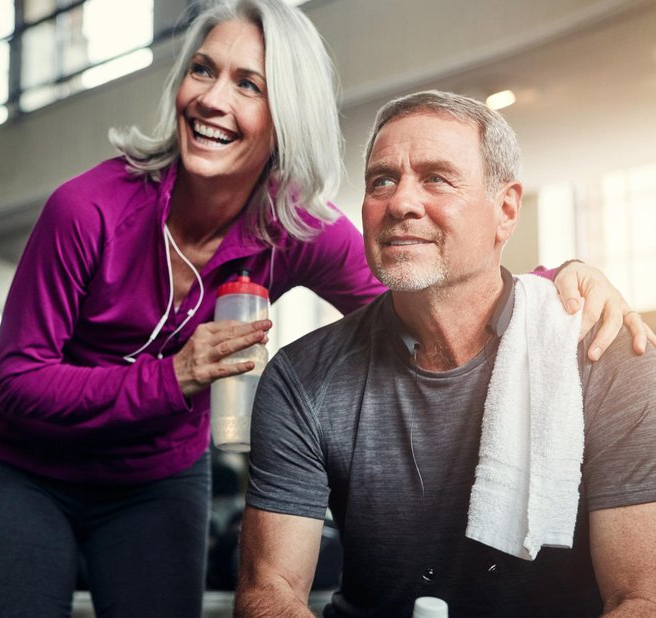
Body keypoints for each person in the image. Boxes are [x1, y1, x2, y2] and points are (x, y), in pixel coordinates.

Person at [0, 0, 654, 615]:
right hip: (24, 469)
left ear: (284, 115)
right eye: (202, 70)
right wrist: (172, 377)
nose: (211, 99)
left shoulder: (293, 227)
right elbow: (16, 380)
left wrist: (560, 282)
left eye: (247, 84)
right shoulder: (87, 209)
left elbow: (428, 285)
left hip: (154, 477)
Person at [235, 90, 656, 617]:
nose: (401, 202)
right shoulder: (301, 378)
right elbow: (268, 591)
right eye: (381, 181)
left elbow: (642, 598)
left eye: (436, 177)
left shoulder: (606, 359)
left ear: (505, 211)